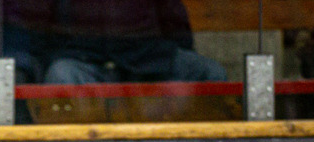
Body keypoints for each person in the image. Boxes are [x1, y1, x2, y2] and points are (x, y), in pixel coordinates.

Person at [43, 0, 227, 85]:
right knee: (61, 74)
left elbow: (174, 19)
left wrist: (164, 57)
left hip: (149, 61)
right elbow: (48, 29)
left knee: (210, 72)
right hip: (89, 65)